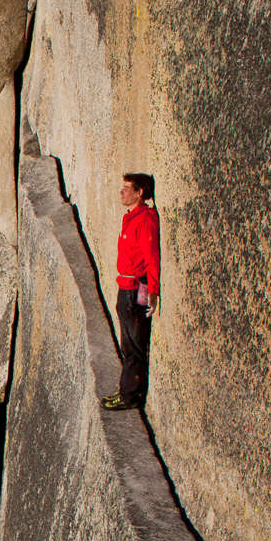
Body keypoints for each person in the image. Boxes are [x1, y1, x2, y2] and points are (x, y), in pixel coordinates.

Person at [102, 172, 159, 411]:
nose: (122, 191)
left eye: (127, 188)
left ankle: (129, 396)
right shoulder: (131, 218)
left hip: (135, 289)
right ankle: (127, 391)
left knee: (133, 345)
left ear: (140, 193)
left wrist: (153, 291)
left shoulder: (145, 218)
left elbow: (152, 256)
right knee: (128, 343)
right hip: (125, 287)